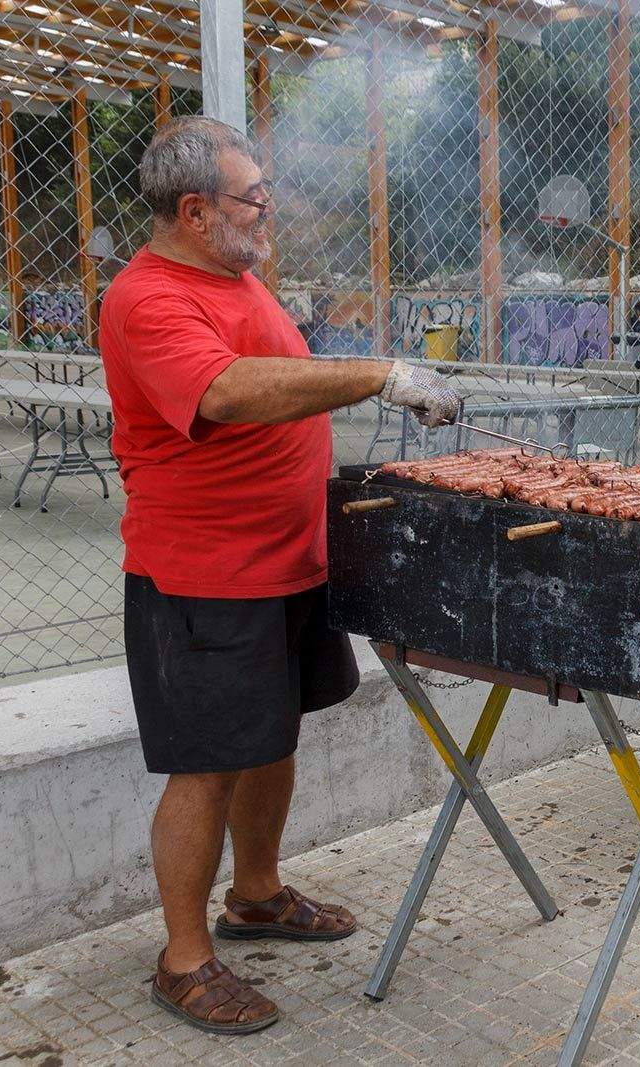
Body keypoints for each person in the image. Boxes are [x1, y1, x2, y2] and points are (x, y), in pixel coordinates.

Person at [99, 117, 460, 1035]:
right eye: (252, 199)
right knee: (207, 765)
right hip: (206, 576)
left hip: (288, 561)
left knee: (272, 738)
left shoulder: (236, 274)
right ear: (193, 211)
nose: (268, 211)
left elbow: (277, 377)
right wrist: (382, 375)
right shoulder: (147, 300)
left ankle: (255, 895)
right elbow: (223, 391)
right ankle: (182, 959)